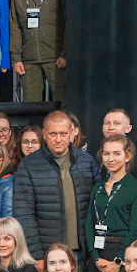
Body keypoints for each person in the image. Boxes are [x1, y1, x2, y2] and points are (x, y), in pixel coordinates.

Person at [14, 111, 96, 262]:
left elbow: (97, 208)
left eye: (63, 133)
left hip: (82, 253)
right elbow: (24, 214)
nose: (58, 139)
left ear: (71, 133)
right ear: (44, 134)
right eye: (53, 134)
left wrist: (94, 252)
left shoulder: (86, 161)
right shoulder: (29, 165)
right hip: (47, 254)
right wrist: (36, 255)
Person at [8, 0, 66, 103]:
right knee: (30, 105)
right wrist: (16, 58)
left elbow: (67, 22)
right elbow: (14, 25)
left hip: (55, 57)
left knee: (63, 103)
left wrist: (65, 54)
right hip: (28, 59)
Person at [87, 135, 137, 272]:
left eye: (116, 153)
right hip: (97, 254)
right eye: (106, 154)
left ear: (127, 156)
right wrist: (95, 257)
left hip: (122, 253)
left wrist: (118, 261)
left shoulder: (136, 188)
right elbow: (89, 223)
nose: (110, 159)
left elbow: (136, 230)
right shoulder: (98, 187)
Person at [94, 109, 137, 185]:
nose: (111, 127)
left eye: (117, 123)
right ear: (102, 128)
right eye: (107, 123)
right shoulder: (97, 156)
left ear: (128, 128)